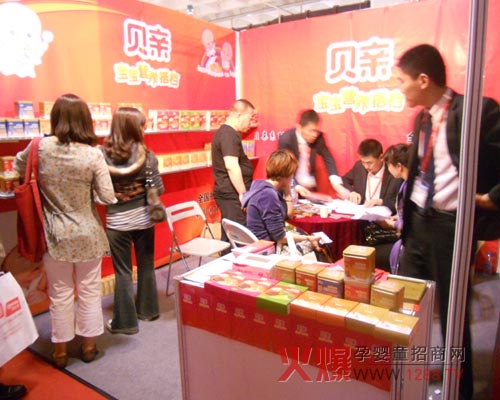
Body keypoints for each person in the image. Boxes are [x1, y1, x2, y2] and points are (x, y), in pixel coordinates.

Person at [397, 44, 500, 400]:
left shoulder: (476, 111)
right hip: (417, 224)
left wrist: (492, 198)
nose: (400, 88)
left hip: (450, 227)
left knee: (453, 314)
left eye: (402, 81)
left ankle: (462, 389)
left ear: (423, 80)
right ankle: (405, 381)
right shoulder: (422, 119)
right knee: (407, 306)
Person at [13, 94, 116, 368]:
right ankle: (88, 346)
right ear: (85, 120)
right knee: (89, 290)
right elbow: (107, 196)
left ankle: (60, 351)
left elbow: (18, 167)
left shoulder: (39, 147)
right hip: (89, 234)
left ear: (56, 118)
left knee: (59, 293)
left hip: (54, 235)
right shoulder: (93, 154)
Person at [101, 107, 164, 335]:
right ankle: (148, 311)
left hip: (117, 222)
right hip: (144, 219)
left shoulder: (101, 156)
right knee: (146, 265)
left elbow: (99, 192)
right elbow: (158, 188)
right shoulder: (147, 156)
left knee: (123, 271)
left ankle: (125, 323)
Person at [242, 150, 321, 254]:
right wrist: (308, 238)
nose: (292, 177)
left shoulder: (260, 186)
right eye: (292, 174)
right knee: (317, 245)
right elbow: (280, 237)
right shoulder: (268, 195)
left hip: (262, 243)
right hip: (268, 248)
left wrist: (287, 192)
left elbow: (289, 215)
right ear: (286, 174)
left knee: (306, 237)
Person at [212, 99, 256, 244]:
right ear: (239, 115)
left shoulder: (229, 133)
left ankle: (225, 258)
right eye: (250, 117)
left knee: (230, 236)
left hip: (230, 193)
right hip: (231, 194)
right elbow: (231, 165)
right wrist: (243, 193)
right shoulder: (228, 135)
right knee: (238, 237)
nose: (250, 122)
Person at [278, 109, 341, 197]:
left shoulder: (319, 138)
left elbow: (328, 158)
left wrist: (336, 183)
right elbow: (284, 169)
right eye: (311, 131)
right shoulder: (286, 139)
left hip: (310, 189)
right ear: (299, 127)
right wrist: (296, 187)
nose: (314, 135)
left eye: (317, 131)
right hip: (291, 187)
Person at [335, 138, 402, 212]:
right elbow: (344, 180)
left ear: (381, 157)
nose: (366, 166)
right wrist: (351, 192)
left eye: (369, 163)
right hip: (361, 212)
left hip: (383, 215)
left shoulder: (393, 171)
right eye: (363, 162)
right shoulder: (359, 167)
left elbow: (399, 202)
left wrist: (381, 202)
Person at [381, 143, 410, 273]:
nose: (388, 169)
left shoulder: (410, 187)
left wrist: (392, 224)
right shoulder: (406, 184)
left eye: (389, 165)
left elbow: (411, 222)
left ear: (399, 166)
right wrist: (397, 217)